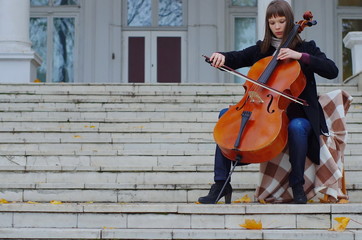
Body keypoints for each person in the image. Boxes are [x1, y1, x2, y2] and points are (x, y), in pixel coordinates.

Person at [198, 0, 339, 204]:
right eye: (272, 23)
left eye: (282, 21)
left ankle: (297, 184)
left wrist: (299, 55)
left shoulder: (306, 48)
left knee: (298, 126)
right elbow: (237, 58)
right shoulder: (262, 49)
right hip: (263, 113)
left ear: (290, 22)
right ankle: (220, 185)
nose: (278, 27)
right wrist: (220, 57)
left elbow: (331, 70)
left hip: (298, 115)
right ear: (268, 24)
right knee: (225, 116)